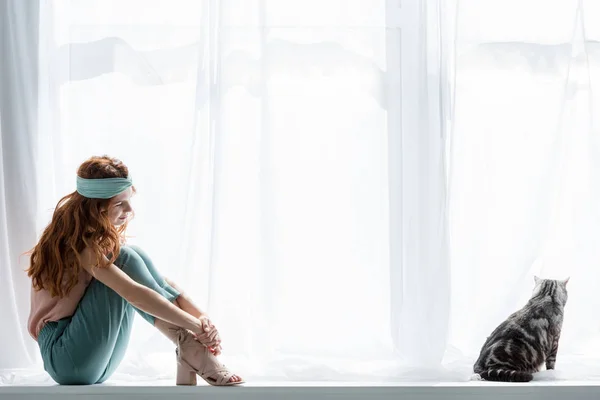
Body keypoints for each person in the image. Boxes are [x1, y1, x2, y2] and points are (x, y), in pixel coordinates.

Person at [26, 155, 243, 386]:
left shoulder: (98, 241)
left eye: (129, 200)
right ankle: (190, 347)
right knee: (124, 258)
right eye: (119, 203)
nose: (129, 209)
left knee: (128, 255)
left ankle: (190, 348)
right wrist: (197, 328)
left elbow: (161, 284)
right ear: (95, 208)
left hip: (93, 359)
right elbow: (134, 292)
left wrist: (204, 320)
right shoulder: (80, 245)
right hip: (65, 355)